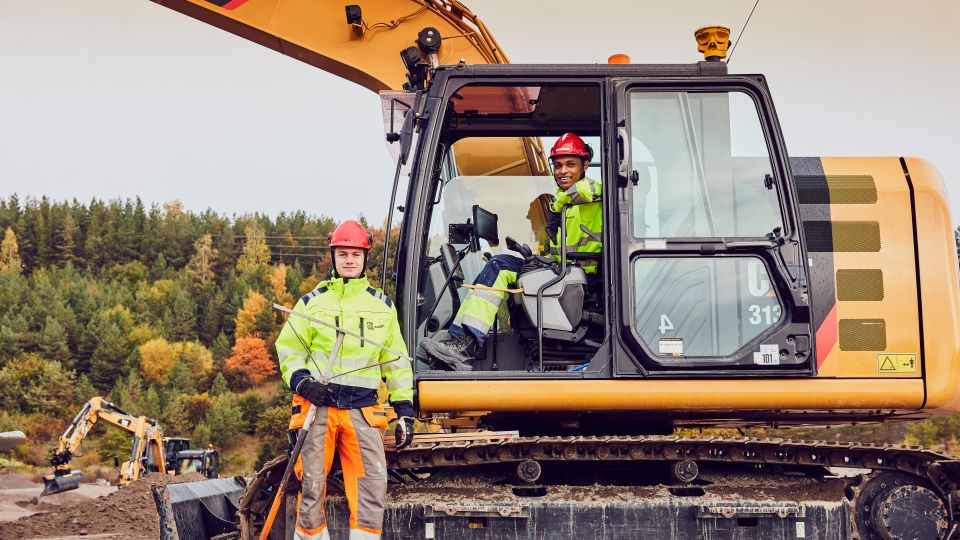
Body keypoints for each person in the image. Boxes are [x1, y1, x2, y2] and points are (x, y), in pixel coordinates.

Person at [275, 219, 415, 540]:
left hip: (362, 408)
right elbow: (289, 348)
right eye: (343, 253)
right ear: (333, 256)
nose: (349, 259)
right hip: (317, 405)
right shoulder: (312, 303)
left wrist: (404, 410)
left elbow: (395, 361)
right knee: (310, 484)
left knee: (371, 485)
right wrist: (302, 382)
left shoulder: (382, 306)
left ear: (365, 257)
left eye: (355, 253)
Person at [420, 133, 603, 369]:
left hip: (578, 275)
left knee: (500, 266)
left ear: (585, 165)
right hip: (562, 270)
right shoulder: (564, 204)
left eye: (570, 164)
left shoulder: (589, 195)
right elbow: (557, 249)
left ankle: (466, 344)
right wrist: (535, 258)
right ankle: (460, 337)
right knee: (501, 264)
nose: (562, 171)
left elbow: (590, 189)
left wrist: (558, 205)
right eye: (557, 165)